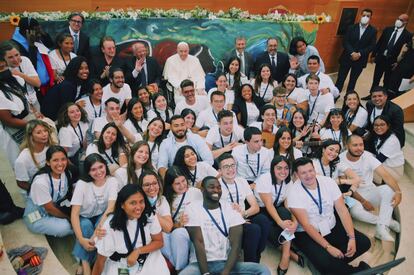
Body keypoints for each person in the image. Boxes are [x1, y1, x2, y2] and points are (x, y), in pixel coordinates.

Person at [288, 157, 371, 274]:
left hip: (331, 225)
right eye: (303, 173)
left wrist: (351, 238)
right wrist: (328, 247)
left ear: (314, 169)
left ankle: (332, 265)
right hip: (308, 234)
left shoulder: (328, 182)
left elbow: (342, 210)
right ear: (297, 174)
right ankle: (357, 271)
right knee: (326, 265)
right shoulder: (293, 193)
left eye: (310, 171)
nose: (309, 175)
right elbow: (307, 226)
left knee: (363, 242)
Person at [180, 176, 271, 275]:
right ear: (202, 190)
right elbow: (198, 243)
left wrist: (225, 272)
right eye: (211, 187)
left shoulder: (231, 208)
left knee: (263, 270)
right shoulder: (192, 208)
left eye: (219, 187)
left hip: (227, 263)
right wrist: (206, 273)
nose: (216, 190)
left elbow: (236, 245)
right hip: (199, 264)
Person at [92, 184, 169, 275]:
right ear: (122, 205)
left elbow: (159, 242)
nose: (138, 207)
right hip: (122, 263)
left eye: (141, 201)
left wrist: (138, 251)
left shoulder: (149, 215)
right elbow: (100, 261)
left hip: (148, 257)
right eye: (133, 203)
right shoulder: (110, 226)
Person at [339, 135, 402, 241]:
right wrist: (363, 201)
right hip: (353, 195)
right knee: (355, 213)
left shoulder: (368, 157)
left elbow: (385, 175)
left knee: (388, 189)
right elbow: (346, 186)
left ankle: (382, 228)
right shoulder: (341, 159)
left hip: (370, 191)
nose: (359, 148)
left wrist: (398, 192)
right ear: (347, 146)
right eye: (355, 145)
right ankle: (387, 222)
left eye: (361, 144)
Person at [218, 153, 270, 264]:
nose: (230, 169)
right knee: (254, 229)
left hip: (243, 216)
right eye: (226, 167)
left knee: (263, 220)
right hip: (229, 223)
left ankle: (256, 256)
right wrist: (238, 218)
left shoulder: (241, 181)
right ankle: (251, 263)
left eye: (232, 165)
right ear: (220, 170)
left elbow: (255, 207)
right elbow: (219, 214)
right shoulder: (217, 186)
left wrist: (243, 214)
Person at [71, 153, 118, 275]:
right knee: (85, 226)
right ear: (88, 172)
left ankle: (85, 260)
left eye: (101, 167)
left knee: (106, 225)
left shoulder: (112, 181)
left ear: (105, 166)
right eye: (93, 169)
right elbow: (74, 214)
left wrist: (94, 237)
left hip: (102, 215)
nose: (98, 172)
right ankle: (86, 267)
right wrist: (81, 240)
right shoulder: (82, 184)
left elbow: (110, 208)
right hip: (84, 216)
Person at [255, 156, 299, 274]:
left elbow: (289, 204)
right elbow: (268, 204)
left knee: (285, 213)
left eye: (286, 168)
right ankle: (289, 252)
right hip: (261, 209)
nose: (283, 172)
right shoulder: (265, 179)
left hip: (277, 208)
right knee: (265, 223)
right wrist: (280, 222)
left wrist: (295, 221)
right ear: (272, 168)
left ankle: (285, 255)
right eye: (279, 168)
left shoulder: (288, 182)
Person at [23, 145, 76, 237]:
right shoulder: (41, 182)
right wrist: (70, 218)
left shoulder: (66, 173)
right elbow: (50, 208)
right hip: (38, 215)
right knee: (65, 227)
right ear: (48, 162)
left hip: (56, 208)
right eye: (55, 160)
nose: (60, 164)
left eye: (63, 159)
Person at [162, 166, 203, 271]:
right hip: (176, 229)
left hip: (195, 229)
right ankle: (180, 268)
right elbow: (168, 227)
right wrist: (179, 223)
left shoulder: (195, 192)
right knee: (163, 235)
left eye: (183, 181)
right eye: (177, 183)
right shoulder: (166, 198)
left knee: (179, 233)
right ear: (170, 185)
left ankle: (179, 269)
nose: (182, 185)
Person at [0, 56, 36, 165]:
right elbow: (8, 120)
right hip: (13, 131)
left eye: (4, 66)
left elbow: (24, 99)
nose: (4, 70)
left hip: (28, 121)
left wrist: (35, 113)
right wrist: (33, 124)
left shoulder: (14, 80)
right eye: (0, 69)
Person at [336, 9, 377, 93]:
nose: (365, 17)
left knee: (352, 82)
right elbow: (345, 41)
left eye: (368, 16)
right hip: (347, 57)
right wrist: (352, 53)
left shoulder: (373, 30)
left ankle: (348, 101)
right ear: (360, 16)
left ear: (370, 18)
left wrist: (359, 54)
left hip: (360, 60)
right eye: (364, 15)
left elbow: (371, 46)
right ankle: (334, 97)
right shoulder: (351, 27)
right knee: (340, 79)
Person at [11, 17, 55, 94]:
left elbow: (50, 44)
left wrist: (42, 33)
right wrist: (31, 45)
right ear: (27, 31)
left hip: (47, 84)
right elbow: (31, 64)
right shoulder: (15, 45)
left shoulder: (36, 36)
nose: (39, 32)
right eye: (36, 29)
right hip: (32, 87)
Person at [370, 13, 411, 91]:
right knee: (376, 78)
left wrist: (398, 63)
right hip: (381, 58)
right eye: (398, 18)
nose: (398, 21)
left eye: (401, 20)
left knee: (387, 80)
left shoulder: (407, 35)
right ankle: (372, 94)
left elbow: (406, 52)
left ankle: (384, 96)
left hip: (392, 62)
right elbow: (380, 42)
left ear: (405, 22)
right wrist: (373, 55)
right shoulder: (388, 29)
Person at [41, 56, 89, 121]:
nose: (85, 71)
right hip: (53, 120)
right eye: (80, 69)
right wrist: (76, 105)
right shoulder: (67, 86)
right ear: (74, 69)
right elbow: (65, 108)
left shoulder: (80, 82)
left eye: (86, 68)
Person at [15, 119, 56, 192]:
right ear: (31, 136)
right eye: (38, 132)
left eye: (45, 130)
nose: (44, 134)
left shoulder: (51, 147)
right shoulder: (22, 159)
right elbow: (21, 183)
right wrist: (40, 190)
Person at [2, 40, 41, 113]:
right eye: (10, 57)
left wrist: (20, 74)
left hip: (34, 101)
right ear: (3, 59)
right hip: (18, 108)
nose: (15, 59)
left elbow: (37, 83)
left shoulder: (25, 60)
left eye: (17, 55)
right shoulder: (3, 70)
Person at [367, 115, 404, 183]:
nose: (378, 127)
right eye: (376, 125)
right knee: (362, 154)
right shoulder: (379, 136)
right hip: (385, 165)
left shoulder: (392, 140)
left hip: (394, 171)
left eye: (382, 125)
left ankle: (380, 181)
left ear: (388, 126)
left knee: (362, 165)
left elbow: (379, 160)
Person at [138, 170, 173, 234]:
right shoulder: (137, 201)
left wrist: (151, 212)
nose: (151, 188)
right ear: (141, 187)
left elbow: (168, 228)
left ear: (159, 184)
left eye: (154, 183)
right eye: (147, 185)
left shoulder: (162, 200)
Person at [57, 102, 89, 167]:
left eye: (77, 111)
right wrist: (74, 168)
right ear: (66, 115)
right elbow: (63, 155)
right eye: (72, 112)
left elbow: (86, 143)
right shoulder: (65, 131)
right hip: (69, 159)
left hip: (81, 153)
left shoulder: (83, 123)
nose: (76, 114)